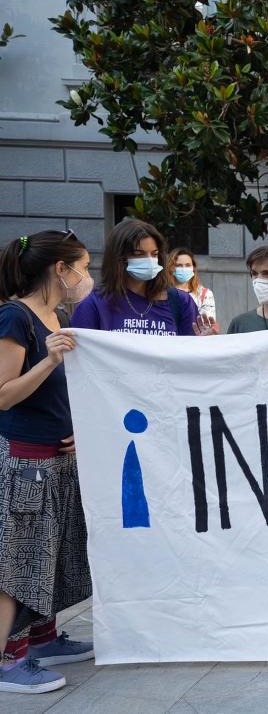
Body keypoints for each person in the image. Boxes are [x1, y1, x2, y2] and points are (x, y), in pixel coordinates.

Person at [0, 230, 94, 694]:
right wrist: (48, 361)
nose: (87, 277)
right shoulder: (14, 317)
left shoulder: (57, 316)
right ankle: (7, 658)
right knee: (17, 562)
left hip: (56, 459)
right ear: (62, 269)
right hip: (25, 460)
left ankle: (42, 639)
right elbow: (3, 395)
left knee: (49, 555)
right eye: (84, 267)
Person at [71, 219, 212, 336]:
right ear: (119, 258)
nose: (149, 260)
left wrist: (206, 343)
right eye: (139, 254)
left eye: (154, 254)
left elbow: (191, 353)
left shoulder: (181, 302)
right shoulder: (94, 306)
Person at [168, 247, 216, 322]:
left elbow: (208, 324)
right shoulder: (162, 293)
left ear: (193, 268)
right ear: (171, 268)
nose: (184, 268)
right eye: (179, 265)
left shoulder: (204, 294)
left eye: (188, 265)